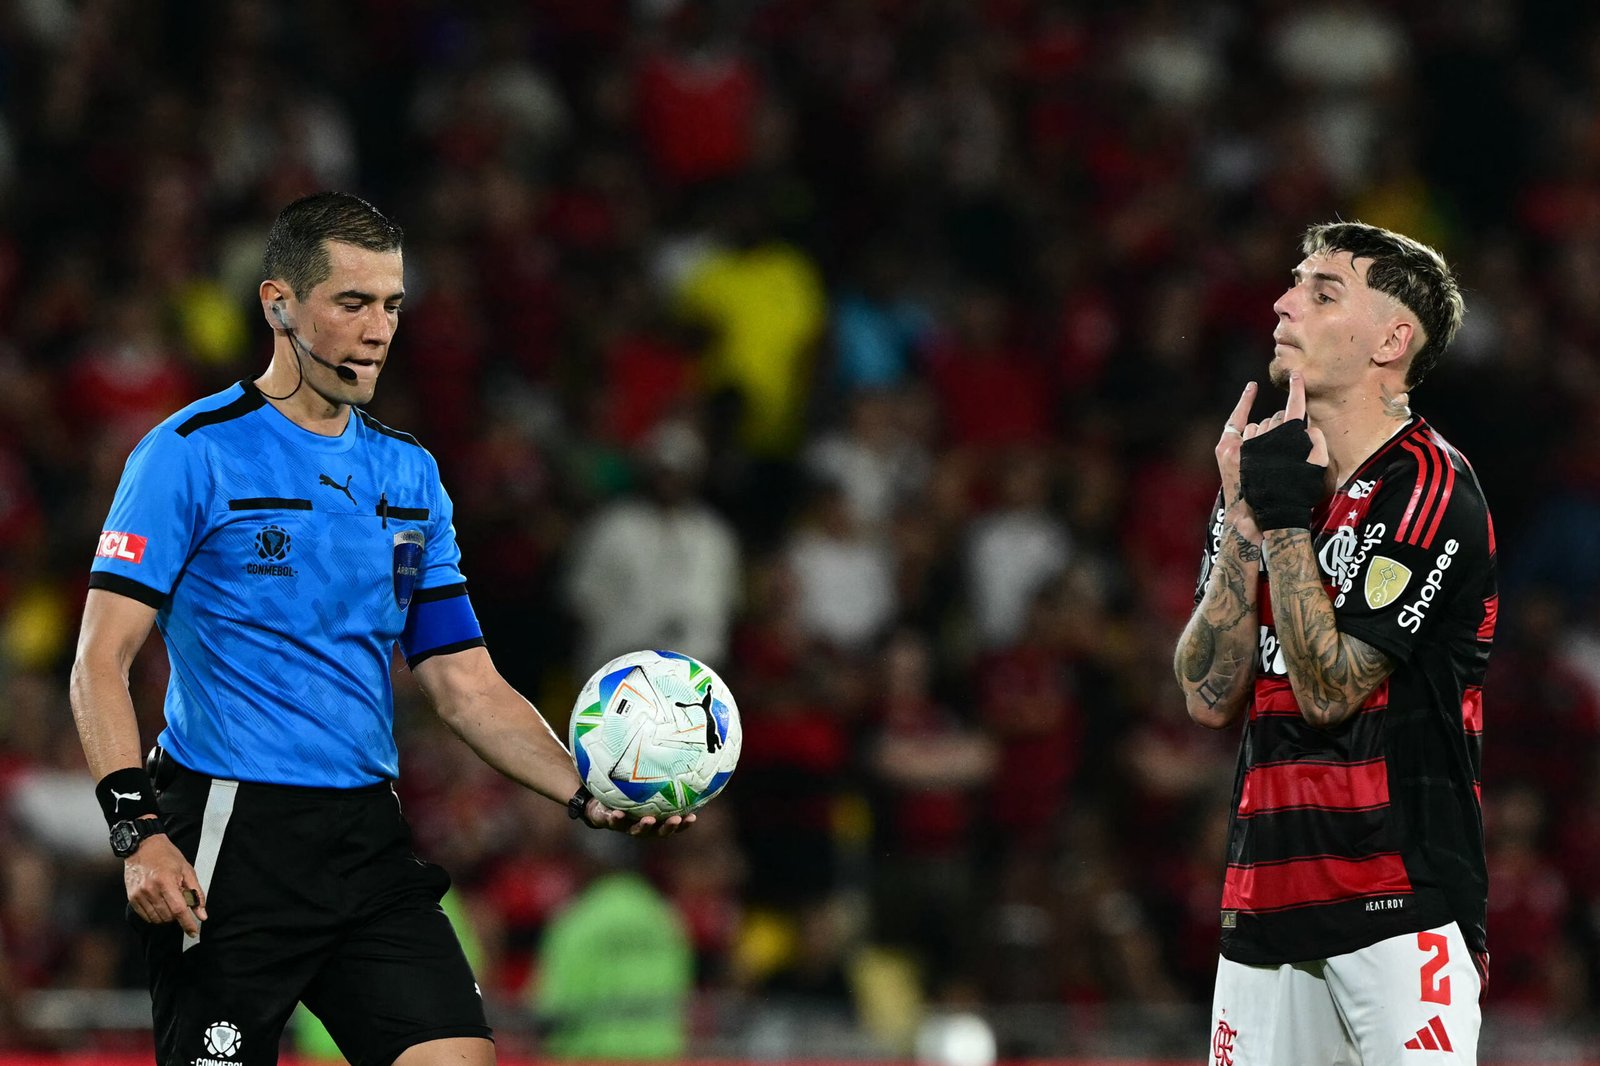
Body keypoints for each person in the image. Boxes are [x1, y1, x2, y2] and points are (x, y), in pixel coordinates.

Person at [68, 191, 691, 1066]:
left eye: (392, 304)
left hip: (366, 840)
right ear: (278, 305)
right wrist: (137, 831)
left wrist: (585, 791)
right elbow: (100, 659)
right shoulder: (189, 452)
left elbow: (462, 683)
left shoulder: (409, 476)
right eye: (351, 303)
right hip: (227, 838)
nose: (378, 329)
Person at [1173, 221, 1495, 1065]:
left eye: (1322, 293)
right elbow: (1207, 696)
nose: (1283, 303)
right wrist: (1244, 520)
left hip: (1398, 906)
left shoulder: (1428, 485)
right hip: (1262, 902)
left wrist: (1281, 522)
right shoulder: (1273, 477)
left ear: (1394, 339)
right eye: (1293, 285)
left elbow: (1330, 691)